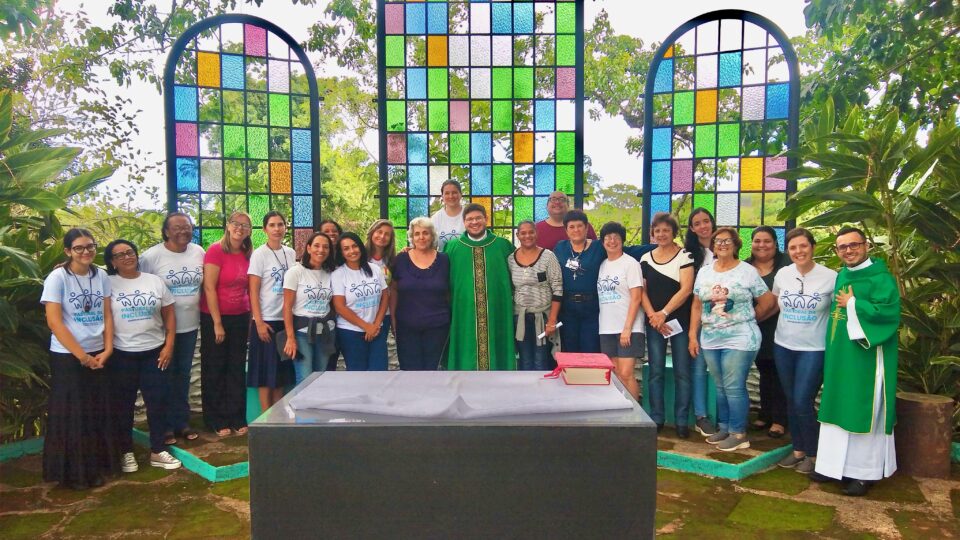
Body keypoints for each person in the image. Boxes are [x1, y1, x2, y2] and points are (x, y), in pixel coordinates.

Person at [811, 227, 900, 496]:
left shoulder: (881, 278)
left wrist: (854, 304)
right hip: (840, 356)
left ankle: (863, 474)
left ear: (866, 246)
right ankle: (831, 466)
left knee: (863, 409)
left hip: (866, 358)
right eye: (842, 247)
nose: (848, 251)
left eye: (854, 245)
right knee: (836, 405)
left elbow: (889, 315)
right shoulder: (843, 274)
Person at [41, 228, 118, 490]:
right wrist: (81, 356)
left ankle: (100, 464)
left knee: (98, 411)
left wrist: (106, 349)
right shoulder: (57, 277)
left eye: (90, 246)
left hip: (99, 353)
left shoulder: (102, 275)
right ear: (67, 251)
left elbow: (107, 314)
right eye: (79, 248)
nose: (86, 252)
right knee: (74, 414)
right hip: (68, 357)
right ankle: (75, 473)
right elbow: (54, 321)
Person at [689, 227, 775, 452]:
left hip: (740, 338)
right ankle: (725, 427)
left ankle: (739, 433)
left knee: (734, 386)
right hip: (710, 337)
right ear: (713, 246)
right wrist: (692, 335)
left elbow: (768, 301)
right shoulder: (705, 272)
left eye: (727, 241)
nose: (722, 244)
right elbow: (697, 305)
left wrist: (747, 318)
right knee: (719, 386)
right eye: (718, 241)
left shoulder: (747, 271)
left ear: (736, 245)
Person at [103, 239, 182, 472]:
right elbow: (81, 276)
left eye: (130, 252)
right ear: (112, 262)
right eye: (119, 255)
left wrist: (168, 346)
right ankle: (126, 452)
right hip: (122, 355)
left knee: (157, 403)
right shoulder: (106, 283)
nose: (126, 257)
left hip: (154, 353)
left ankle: (158, 450)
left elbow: (169, 315)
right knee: (123, 406)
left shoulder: (154, 281)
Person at [772, 228, 837, 475]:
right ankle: (798, 449)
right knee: (791, 399)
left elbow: (840, 313)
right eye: (793, 247)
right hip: (783, 345)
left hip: (814, 349)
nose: (798, 251)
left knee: (802, 400)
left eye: (803, 246)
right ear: (787, 251)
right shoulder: (782, 274)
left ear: (812, 247)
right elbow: (773, 302)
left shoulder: (831, 277)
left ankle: (815, 453)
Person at [140, 212, 203, 445]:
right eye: (176, 227)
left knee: (183, 375)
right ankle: (163, 426)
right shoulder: (152, 257)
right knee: (163, 376)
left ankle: (181, 423)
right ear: (166, 231)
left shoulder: (199, 252)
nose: (182, 231)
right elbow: (135, 281)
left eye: (186, 227)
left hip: (189, 325)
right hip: (161, 329)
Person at [640, 212, 694, 437]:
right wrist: (654, 316)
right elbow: (641, 291)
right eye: (657, 230)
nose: (661, 234)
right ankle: (657, 417)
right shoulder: (645, 258)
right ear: (653, 233)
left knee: (683, 371)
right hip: (654, 322)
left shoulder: (685, 256)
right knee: (655, 371)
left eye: (666, 230)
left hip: (679, 320)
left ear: (674, 232)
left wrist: (664, 313)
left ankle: (682, 421)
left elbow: (686, 289)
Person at [444, 203, 515, 370]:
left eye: (478, 218)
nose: (474, 222)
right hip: (463, 312)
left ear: (486, 219)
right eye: (469, 219)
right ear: (464, 222)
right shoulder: (453, 247)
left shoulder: (503, 246)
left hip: (496, 312)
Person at [200, 212, 253, 437]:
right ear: (228, 226)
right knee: (215, 368)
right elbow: (209, 287)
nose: (240, 228)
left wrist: (251, 319)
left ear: (250, 230)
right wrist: (217, 323)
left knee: (236, 368)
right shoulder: (215, 251)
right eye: (236, 224)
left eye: (245, 225)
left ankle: (236, 416)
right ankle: (216, 419)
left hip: (241, 316)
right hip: (215, 317)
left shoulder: (248, 253)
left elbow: (249, 289)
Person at [247, 212, 296, 412]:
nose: (277, 229)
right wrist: (258, 321)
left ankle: (278, 416)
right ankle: (265, 418)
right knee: (265, 374)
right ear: (265, 229)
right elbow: (253, 290)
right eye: (272, 225)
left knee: (280, 375)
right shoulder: (259, 254)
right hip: (265, 320)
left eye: (281, 224)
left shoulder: (290, 253)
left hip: (285, 320)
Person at [389, 217, 451, 370]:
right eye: (417, 234)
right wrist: (393, 319)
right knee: (410, 371)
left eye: (425, 233)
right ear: (412, 237)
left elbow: (449, 291)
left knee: (432, 369)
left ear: (432, 236)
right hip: (406, 327)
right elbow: (394, 290)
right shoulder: (401, 259)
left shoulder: (444, 260)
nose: (421, 237)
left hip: (438, 327)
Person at [745, 226, 789, 438]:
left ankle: (780, 420)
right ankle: (765, 413)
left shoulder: (787, 266)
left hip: (780, 327)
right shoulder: (744, 266)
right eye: (757, 241)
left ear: (775, 243)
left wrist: (753, 317)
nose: (761, 245)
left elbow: (781, 299)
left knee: (779, 372)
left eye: (767, 241)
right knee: (764, 371)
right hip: (754, 329)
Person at [596, 221, 645, 400]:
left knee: (626, 374)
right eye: (608, 238)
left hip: (628, 328)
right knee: (615, 374)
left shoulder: (631, 264)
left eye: (616, 237)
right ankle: (621, 411)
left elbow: (637, 297)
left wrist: (627, 328)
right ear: (602, 242)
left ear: (622, 240)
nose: (612, 241)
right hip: (607, 327)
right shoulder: (602, 265)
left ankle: (636, 416)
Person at [282, 231, 336, 384]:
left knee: (321, 378)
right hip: (302, 333)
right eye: (317, 246)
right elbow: (287, 307)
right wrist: (290, 337)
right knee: (304, 377)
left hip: (326, 332)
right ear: (308, 248)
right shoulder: (295, 272)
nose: (321, 250)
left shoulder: (330, 273)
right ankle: (302, 408)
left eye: (325, 247)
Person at [508, 221, 562, 371]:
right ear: (517, 235)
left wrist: (552, 320)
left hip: (543, 317)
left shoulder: (548, 256)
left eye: (531, 232)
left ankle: (543, 394)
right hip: (520, 317)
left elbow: (558, 289)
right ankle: (526, 393)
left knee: (541, 360)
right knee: (524, 360)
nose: (527, 236)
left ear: (536, 233)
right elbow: (512, 289)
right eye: (523, 233)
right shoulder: (511, 259)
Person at [331, 232, 390, 371]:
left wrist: (375, 325)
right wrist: (365, 326)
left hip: (376, 331)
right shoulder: (338, 274)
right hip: (351, 333)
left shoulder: (374, 269)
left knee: (380, 372)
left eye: (354, 246)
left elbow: (385, 296)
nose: (352, 251)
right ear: (341, 253)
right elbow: (339, 306)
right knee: (358, 375)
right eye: (346, 248)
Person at [684, 207, 718, 437]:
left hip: (726, 320)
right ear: (692, 228)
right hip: (697, 317)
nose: (703, 226)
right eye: (697, 223)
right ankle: (700, 415)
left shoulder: (726, 248)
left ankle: (726, 418)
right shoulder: (688, 255)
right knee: (698, 368)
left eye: (706, 221)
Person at [554, 210, 605, 353]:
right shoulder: (560, 248)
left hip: (592, 307)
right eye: (571, 227)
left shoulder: (598, 247)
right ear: (566, 230)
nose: (576, 230)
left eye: (579, 226)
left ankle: (589, 376)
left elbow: (623, 251)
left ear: (587, 228)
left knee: (591, 349)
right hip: (567, 308)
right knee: (569, 349)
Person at [319, 218, 343, 371]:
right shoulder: (316, 260)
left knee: (332, 364)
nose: (331, 234)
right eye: (326, 231)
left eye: (334, 231)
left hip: (345, 320)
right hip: (323, 321)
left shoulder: (347, 258)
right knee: (323, 364)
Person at [431, 179, 465, 250]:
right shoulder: (436, 218)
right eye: (447, 193)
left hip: (465, 259)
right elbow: (429, 246)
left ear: (460, 194)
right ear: (442, 196)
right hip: (443, 260)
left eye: (454, 192)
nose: (451, 196)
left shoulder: (469, 214)